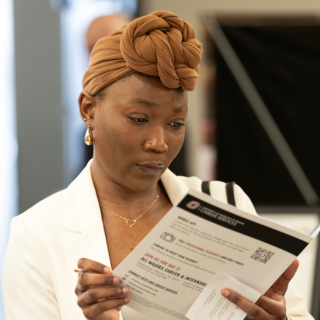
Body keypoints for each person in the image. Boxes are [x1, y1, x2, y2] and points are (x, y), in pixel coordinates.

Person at [2, 10, 313, 320]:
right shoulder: (38, 235)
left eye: (176, 123)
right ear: (88, 109)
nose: (159, 142)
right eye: (139, 119)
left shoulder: (226, 204)